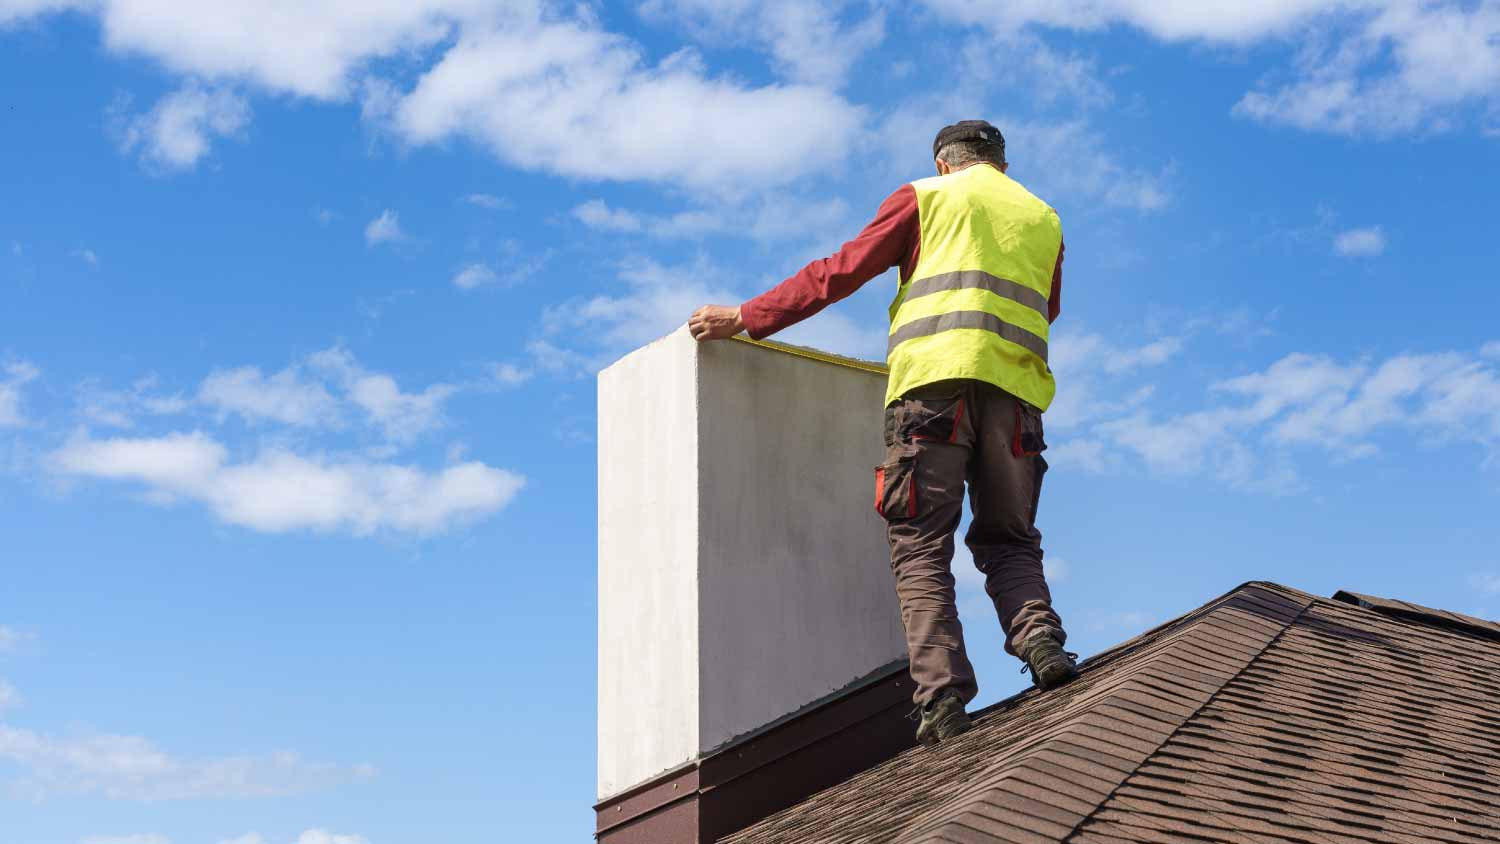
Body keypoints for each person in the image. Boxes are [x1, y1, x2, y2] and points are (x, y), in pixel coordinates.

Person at [688, 120, 1076, 746]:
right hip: (1017, 399)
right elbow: (1046, 308)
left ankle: (943, 695)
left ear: (945, 164)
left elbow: (840, 271)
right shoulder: (1043, 218)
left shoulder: (925, 197)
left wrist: (748, 317)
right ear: (1000, 166)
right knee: (1010, 537)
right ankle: (1041, 643)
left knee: (921, 542)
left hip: (931, 391)